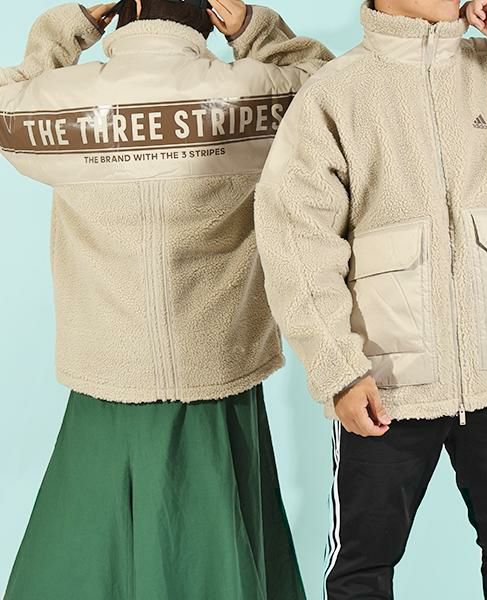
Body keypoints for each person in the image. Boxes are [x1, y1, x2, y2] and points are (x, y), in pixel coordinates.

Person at [254, 0, 487, 597]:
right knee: (362, 566)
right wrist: (339, 370)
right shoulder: (336, 93)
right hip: (386, 384)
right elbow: (296, 241)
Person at [0, 1, 331, 598]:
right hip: (218, 370)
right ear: (207, 14)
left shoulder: (65, 101)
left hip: (106, 374)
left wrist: (74, 26)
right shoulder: (248, 90)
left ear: (126, 11)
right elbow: (329, 92)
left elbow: (5, 102)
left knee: (89, 562)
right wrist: (253, 29)